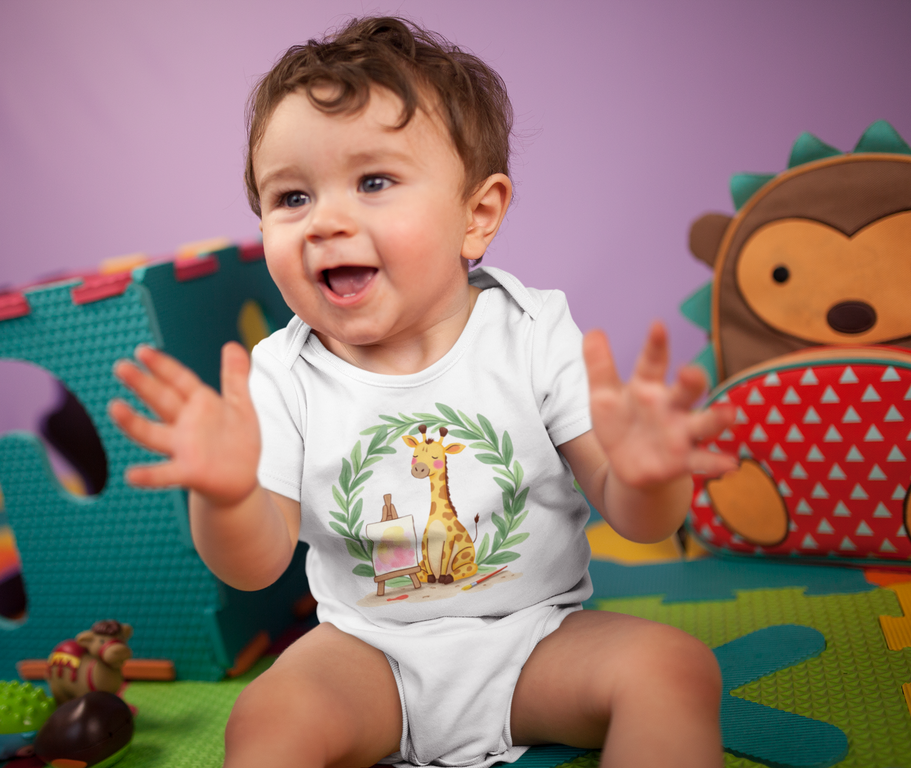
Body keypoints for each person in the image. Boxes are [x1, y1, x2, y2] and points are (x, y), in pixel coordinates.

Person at [108, 16, 735, 768]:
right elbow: (256, 565)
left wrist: (646, 477)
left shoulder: (533, 332)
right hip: (366, 657)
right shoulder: (279, 373)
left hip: (537, 642)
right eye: (291, 198)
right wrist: (224, 493)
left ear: (477, 216)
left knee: (675, 669)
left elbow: (636, 519)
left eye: (374, 182)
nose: (326, 222)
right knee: (266, 720)